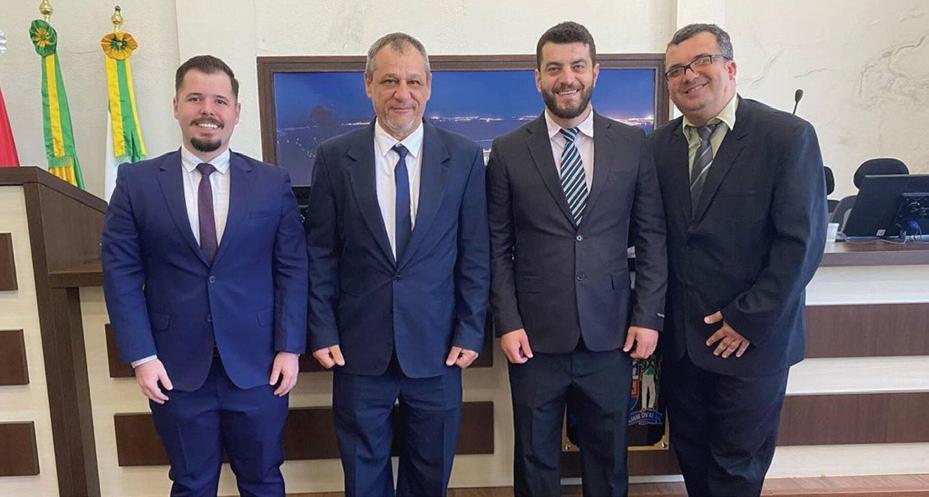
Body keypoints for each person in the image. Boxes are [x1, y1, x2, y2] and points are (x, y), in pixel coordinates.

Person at [102, 55, 307, 497]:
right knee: (192, 483)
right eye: (195, 98)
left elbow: (292, 269)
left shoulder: (272, 182)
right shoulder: (136, 182)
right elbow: (120, 274)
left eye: (219, 101)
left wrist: (290, 348)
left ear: (236, 111)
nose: (207, 110)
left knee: (263, 480)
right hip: (173, 369)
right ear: (176, 105)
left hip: (259, 366)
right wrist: (141, 356)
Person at [486, 21, 667, 497]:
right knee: (534, 457)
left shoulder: (633, 143)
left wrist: (648, 316)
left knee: (608, 458)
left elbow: (651, 237)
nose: (566, 78)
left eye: (577, 66)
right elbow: (496, 245)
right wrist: (507, 322)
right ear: (538, 77)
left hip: (612, 333)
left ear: (595, 72)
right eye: (554, 68)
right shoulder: (508, 151)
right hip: (533, 337)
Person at [305, 32, 490, 497]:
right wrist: (322, 329)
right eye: (389, 80)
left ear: (429, 86)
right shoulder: (334, 158)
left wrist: (471, 330)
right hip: (357, 347)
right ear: (368, 84)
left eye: (413, 81)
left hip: (438, 346)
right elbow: (321, 253)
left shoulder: (465, 158)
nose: (401, 93)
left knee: (429, 473)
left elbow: (474, 252)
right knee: (363, 474)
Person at [648, 23, 827, 496]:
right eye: (675, 70)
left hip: (752, 343)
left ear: (730, 67)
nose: (688, 76)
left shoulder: (786, 137)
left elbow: (800, 244)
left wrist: (747, 319)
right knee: (692, 455)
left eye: (700, 61)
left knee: (737, 466)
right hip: (683, 345)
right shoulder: (658, 147)